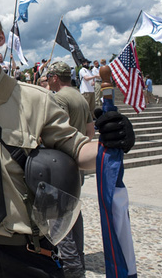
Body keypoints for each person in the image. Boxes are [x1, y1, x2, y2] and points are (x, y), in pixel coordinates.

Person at [0, 5, 135, 278]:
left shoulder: (39, 100)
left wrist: (110, 144)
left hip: (29, 247)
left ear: (0, 38)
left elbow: (78, 150)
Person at [47, 61, 95, 278]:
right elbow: (90, 131)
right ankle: (79, 258)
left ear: (55, 77)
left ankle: (70, 266)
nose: (48, 81)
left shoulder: (59, 98)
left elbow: (59, 132)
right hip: (78, 162)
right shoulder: (79, 97)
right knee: (74, 211)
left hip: (61, 165)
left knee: (59, 216)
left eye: (49, 77)